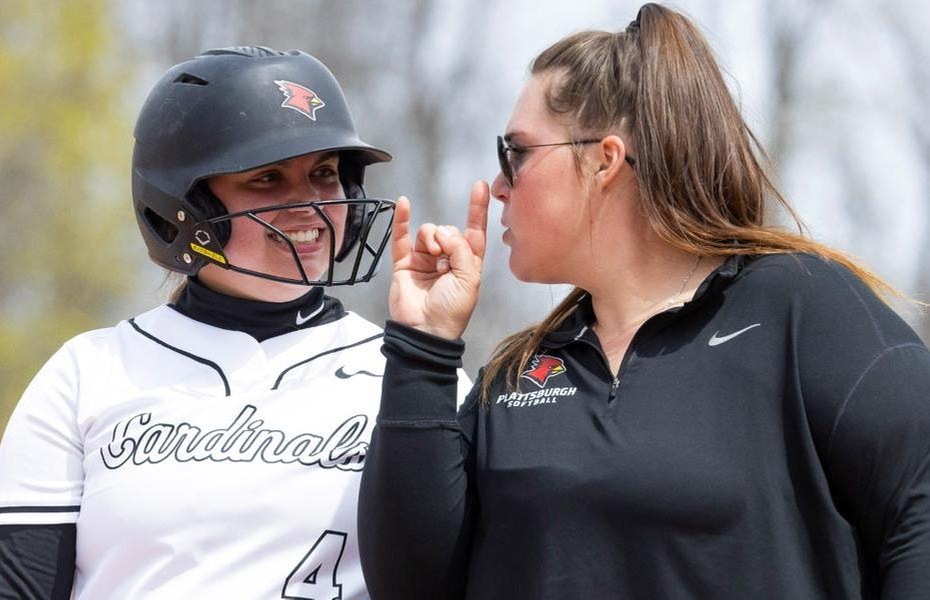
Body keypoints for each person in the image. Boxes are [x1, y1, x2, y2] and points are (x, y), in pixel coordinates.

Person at [358, 4, 930, 599]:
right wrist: (423, 349)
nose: (498, 185)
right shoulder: (516, 376)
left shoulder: (800, 307)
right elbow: (410, 585)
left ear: (605, 160)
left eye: (516, 153)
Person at [0, 45, 469, 599]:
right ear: (187, 206)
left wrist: (426, 350)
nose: (312, 204)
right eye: (268, 179)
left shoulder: (413, 378)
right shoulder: (89, 372)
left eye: (324, 173)